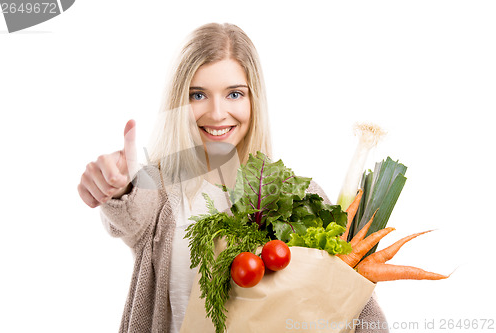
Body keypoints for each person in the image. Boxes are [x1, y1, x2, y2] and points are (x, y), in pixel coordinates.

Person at [78, 22, 389, 333]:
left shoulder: (301, 196)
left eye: (234, 94)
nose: (216, 113)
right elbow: (129, 213)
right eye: (198, 95)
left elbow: (360, 310)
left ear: (254, 100)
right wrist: (119, 186)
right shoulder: (160, 191)